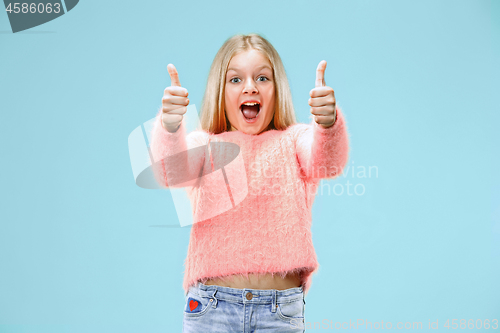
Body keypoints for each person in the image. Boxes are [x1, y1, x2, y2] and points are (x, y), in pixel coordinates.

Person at [150, 33, 350, 332]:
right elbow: (170, 171)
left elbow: (327, 162)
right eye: (235, 80)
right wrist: (169, 125)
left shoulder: (293, 140)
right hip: (211, 309)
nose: (250, 87)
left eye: (262, 78)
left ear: (276, 87)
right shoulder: (204, 145)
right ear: (220, 89)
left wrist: (327, 122)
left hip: (279, 312)